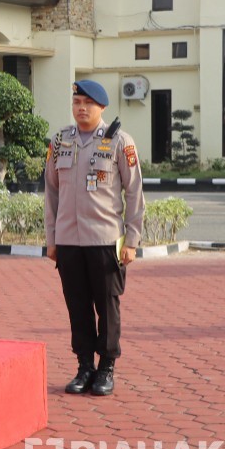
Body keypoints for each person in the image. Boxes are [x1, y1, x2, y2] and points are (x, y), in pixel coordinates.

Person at [44, 80, 145, 397]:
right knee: (78, 307)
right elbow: (51, 193)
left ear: (102, 107)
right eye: (77, 102)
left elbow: (134, 193)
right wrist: (51, 238)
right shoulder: (60, 141)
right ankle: (85, 367)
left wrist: (132, 240)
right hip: (69, 241)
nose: (81, 108)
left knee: (107, 307)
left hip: (104, 240)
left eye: (88, 103)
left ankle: (106, 368)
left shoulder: (119, 142)